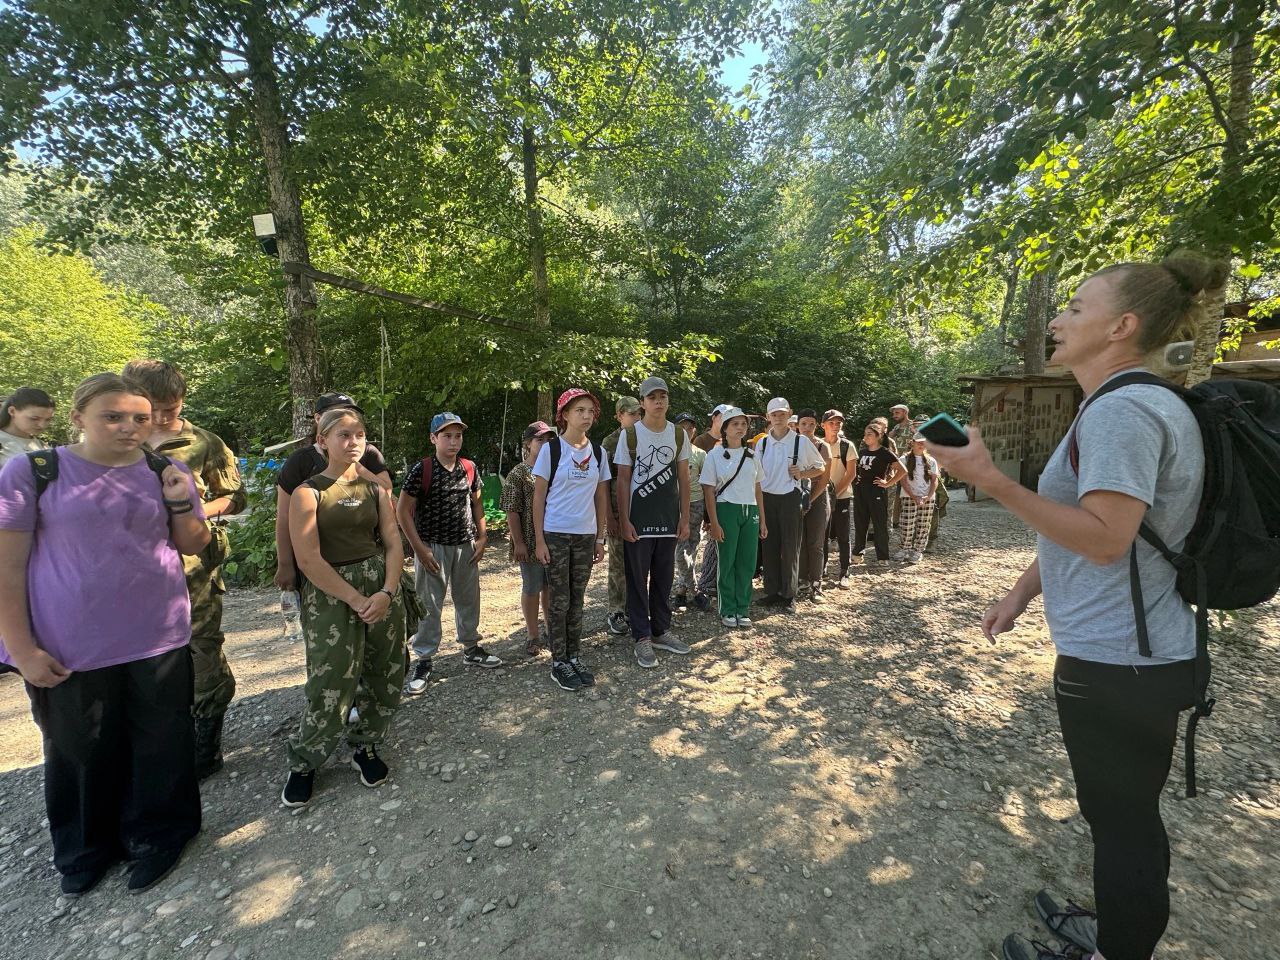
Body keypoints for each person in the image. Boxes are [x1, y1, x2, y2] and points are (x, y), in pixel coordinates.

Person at [926, 254, 1219, 960]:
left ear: (1122, 326)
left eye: (1076, 308)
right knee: (1121, 818)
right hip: (1134, 655)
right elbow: (1094, 527)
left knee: (1123, 826)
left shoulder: (1123, 410)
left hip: (1122, 663)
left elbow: (1107, 538)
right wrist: (1023, 590)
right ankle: (1118, 931)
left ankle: (1115, 951)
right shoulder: (1126, 403)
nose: (1057, 320)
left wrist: (990, 480)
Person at [0, 373, 209, 895]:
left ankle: (161, 835)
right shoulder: (35, 472)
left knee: (161, 742)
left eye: (140, 418)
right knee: (79, 748)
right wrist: (22, 649)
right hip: (71, 642)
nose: (129, 427)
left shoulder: (166, 469)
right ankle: (85, 849)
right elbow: (6, 569)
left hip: (157, 635)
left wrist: (182, 500)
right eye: (112, 417)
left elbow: (193, 542)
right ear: (79, 419)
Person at [123, 360, 247, 780]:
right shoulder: (113, 440)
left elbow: (235, 497)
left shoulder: (203, 443)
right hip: (128, 574)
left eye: (170, 409)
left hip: (192, 570)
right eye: (151, 408)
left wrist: (194, 512)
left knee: (202, 653)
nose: (160, 418)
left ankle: (204, 745)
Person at [282, 408, 406, 807]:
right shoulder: (308, 492)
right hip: (331, 592)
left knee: (385, 668)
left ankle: (365, 744)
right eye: (343, 435)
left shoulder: (375, 490)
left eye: (360, 435)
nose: (353, 442)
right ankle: (305, 760)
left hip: (379, 585)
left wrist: (387, 592)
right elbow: (309, 560)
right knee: (331, 676)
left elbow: (392, 540)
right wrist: (355, 599)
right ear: (322, 442)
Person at [398, 412, 501, 695]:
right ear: (433, 438)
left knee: (468, 599)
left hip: (465, 546)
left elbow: (477, 505)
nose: (454, 442)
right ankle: (425, 659)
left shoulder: (469, 468)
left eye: (458, 436)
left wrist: (482, 537)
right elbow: (402, 511)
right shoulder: (423, 469)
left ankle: (471, 647)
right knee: (429, 604)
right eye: (447, 436)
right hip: (432, 548)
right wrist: (419, 548)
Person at [273, 393, 393, 593]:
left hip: (366, 563)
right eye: (336, 413)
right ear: (319, 420)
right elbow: (284, 516)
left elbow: (386, 492)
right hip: (318, 566)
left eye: (351, 413)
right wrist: (285, 564)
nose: (345, 417)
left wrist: (357, 467)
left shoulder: (368, 453)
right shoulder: (300, 460)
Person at [532, 389, 610, 691]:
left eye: (591, 410)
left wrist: (600, 537)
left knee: (577, 600)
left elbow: (601, 496)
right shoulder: (552, 451)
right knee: (559, 599)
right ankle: (559, 661)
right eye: (580, 410)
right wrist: (539, 540)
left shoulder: (599, 453)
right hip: (555, 534)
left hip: (585, 535)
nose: (587, 416)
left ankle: (575, 655)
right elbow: (539, 498)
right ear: (564, 414)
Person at [613, 376, 693, 668]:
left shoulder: (678, 435)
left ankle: (661, 630)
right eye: (652, 397)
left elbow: (684, 478)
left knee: (664, 577)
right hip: (639, 521)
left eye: (663, 396)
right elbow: (622, 479)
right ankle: (641, 637)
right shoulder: (631, 435)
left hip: (668, 520)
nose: (658, 401)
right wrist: (624, 520)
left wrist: (684, 518)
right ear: (643, 402)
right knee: (637, 579)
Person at [756, 398, 825, 613]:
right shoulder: (762, 443)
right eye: (774, 414)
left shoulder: (801, 441)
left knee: (790, 547)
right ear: (768, 417)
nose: (778, 417)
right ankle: (772, 591)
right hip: (766, 498)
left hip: (790, 498)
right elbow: (755, 475)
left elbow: (821, 468)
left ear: (789, 414)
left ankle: (788, 595)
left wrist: (803, 473)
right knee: (769, 546)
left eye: (782, 414)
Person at [700, 407, 767, 627]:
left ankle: (742, 608)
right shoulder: (715, 455)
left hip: (750, 511)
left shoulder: (752, 455)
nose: (740, 428)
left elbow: (758, 489)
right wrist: (714, 522)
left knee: (747, 563)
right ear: (725, 428)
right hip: (726, 510)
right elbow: (708, 490)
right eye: (735, 424)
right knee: (727, 562)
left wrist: (763, 520)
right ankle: (727, 608)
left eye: (743, 424)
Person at [500, 421, 556, 655]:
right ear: (528, 444)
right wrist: (519, 542)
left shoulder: (558, 468)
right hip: (530, 540)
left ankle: (552, 630)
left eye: (548, 440)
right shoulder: (520, 473)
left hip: (555, 539)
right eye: (539, 440)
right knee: (532, 587)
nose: (544, 445)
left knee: (550, 587)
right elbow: (512, 510)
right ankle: (533, 635)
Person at [601, 396, 641, 636]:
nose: (636, 418)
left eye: (638, 414)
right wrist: (610, 517)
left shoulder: (646, 437)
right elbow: (604, 482)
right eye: (631, 414)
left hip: (642, 510)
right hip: (618, 510)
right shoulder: (610, 442)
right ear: (619, 416)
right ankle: (616, 610)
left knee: (639, 562)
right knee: (618, 563)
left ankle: (634, 607)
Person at [851, 422, 906, 567]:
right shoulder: (862, 452)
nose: (865, 437)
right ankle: (857, 553)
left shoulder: (885, 452)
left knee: (879, 524)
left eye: (869, 434)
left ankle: (882, 556)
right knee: (860, 522)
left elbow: (902, 470)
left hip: (876, 491)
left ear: (879, 436)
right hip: (860, 491)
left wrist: (888, 483)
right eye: (865, 434)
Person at [672, 412, 709, 612]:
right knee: (680, 550)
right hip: (674, 505)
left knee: (692, 548)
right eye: (682, 427)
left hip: (696, 503)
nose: (687, 431)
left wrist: (709, 515)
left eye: (690, 427)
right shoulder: (669, 451)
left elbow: (709, 483)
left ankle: (681, 590)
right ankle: (695, 592)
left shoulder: (700, 454)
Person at [796, 408, 833, 600]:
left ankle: (816, 583)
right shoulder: (792, 444)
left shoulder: (822, 447)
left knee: (816, 542)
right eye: (804, 424)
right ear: (797, 425)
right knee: (800, 541)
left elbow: (824, 479)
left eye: (811, 424)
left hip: (817, 497)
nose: (807, 428)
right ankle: (802, 580)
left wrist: (809, 500)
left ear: (816, 425)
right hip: (796, 497)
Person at [820, 409, 857, 587]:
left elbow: (851, 474)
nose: (835, 426)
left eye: (838, 423)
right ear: (823, 425)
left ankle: (845, 571)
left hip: (842, 496)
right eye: (831, 423)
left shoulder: (847, 446)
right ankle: (823, 567)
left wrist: (834, 494)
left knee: (843, 535)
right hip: (821, 496)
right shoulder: (818, 445)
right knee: (822, 534)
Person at [893, 434, 938, 564]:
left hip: (927, 497)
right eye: (918, 442)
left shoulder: (931, 461)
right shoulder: (904, 459)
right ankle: (904, 548)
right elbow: (902, 480)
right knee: (907, 524)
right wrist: (914, 496)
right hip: (908, 496)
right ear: (912, 443)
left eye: (924, 442)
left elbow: (935, 481)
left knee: (923, 525)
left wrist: (927, 496)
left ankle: (918, 551)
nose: (921, 445)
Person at [0, 387, 55, 467]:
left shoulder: (44, 446)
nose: (42, 425)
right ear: (12, 411)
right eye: (34, 418)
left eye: (47, 420)